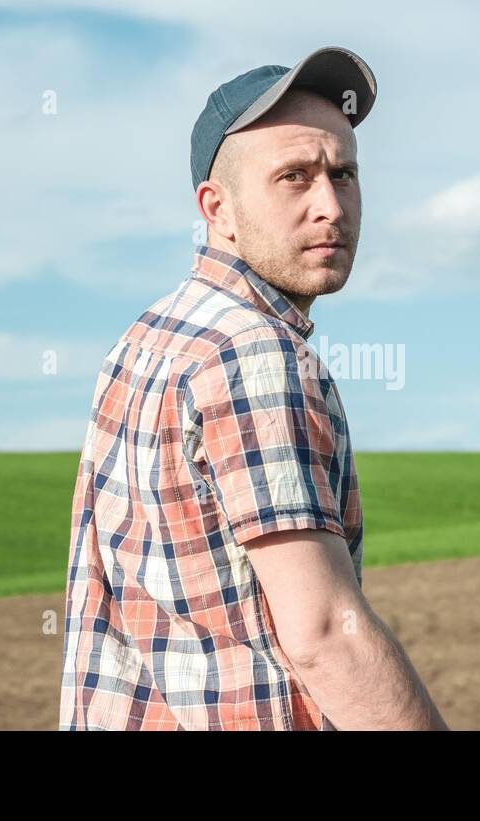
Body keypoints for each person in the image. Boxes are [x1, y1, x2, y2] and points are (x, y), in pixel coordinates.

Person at [59, 46, 448, 731]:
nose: (330, 205)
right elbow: (326, 633)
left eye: (344, 174)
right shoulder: (255, 355)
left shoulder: (142, 340)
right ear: (219, 209)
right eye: (294, 177)